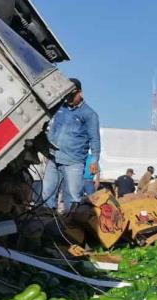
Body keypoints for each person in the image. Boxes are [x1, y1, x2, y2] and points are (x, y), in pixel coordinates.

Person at [42, 78, 101, 212]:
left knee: (74, 197)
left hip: (73, 162)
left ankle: (72, 227)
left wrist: (94, 160)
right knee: (46, 194)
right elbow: (52, 129)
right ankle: (47, 222)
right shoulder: (60, 108)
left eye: (70, 95)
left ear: (79, 93)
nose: (67, 99)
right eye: (65, 95)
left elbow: (95, 139)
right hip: (53, 158)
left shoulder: (89, 114)